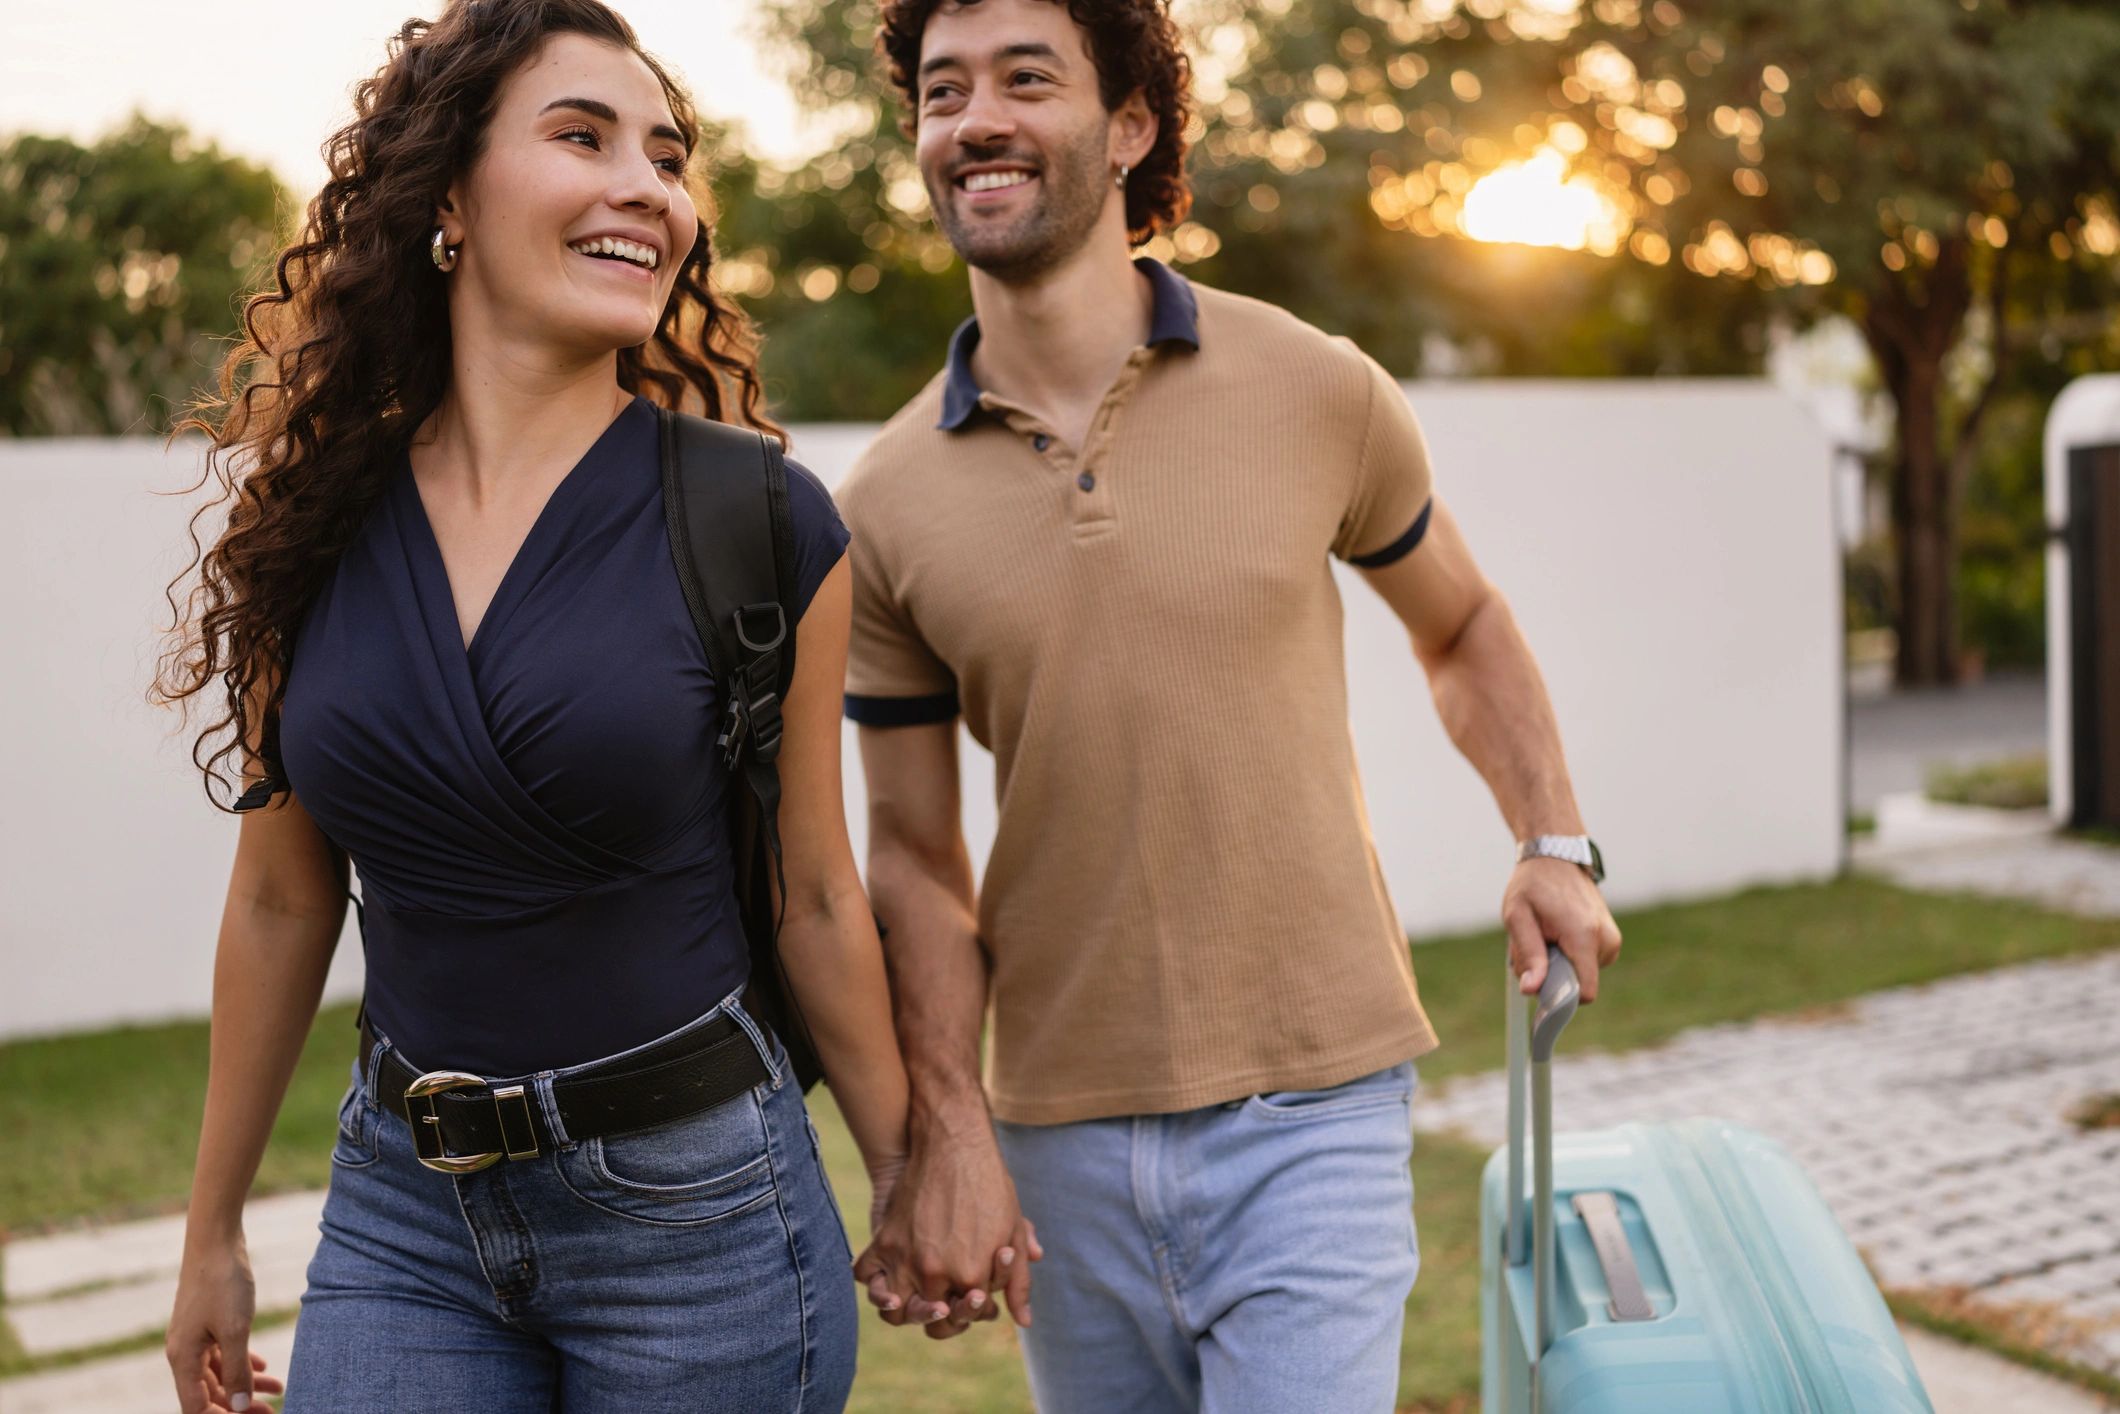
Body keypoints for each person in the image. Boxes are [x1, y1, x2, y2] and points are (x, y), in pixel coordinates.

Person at [152, 2, 969, 1408]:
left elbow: (817, 897)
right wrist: (213, 1226)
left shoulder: (759, 521)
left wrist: (905, 1170)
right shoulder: (313, 528)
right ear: (449, 197)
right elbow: (285, 898)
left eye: (667, 155)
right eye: (581, 136)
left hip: (701, 1221)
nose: (645, 188)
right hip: (406, 1213)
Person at [838, 1, 1624, 1409]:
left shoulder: (1317, 387)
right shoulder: (886, 503)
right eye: (943, 92)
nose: (977, 121)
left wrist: (1550, 838)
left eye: (1029, 78)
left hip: (1314, 1101)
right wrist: (950, 1123)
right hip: (1059, 1131)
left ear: (1131, 125)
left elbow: (1460, 623)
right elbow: (913, 854)